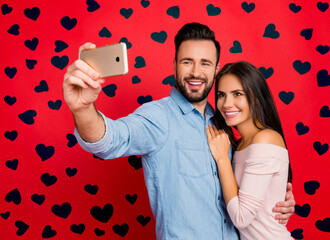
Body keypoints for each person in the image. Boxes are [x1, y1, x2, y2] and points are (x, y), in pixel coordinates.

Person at [63, 23, 295, 239]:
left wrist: (274, 201)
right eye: (187, 61)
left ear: (216, 69)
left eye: (205, 63)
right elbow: (111, 140)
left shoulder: (223, 123)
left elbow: (245, 192)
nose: (195, 72)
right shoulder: (158, 117)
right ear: (174, 65)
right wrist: (83, 109)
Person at [206, 61, 294, 239]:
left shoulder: (266, 139)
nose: (226, 104)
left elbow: (241, 218)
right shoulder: (240, 145)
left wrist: (222, 159)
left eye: (237, 94)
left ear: (256, 97)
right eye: (221, 95)